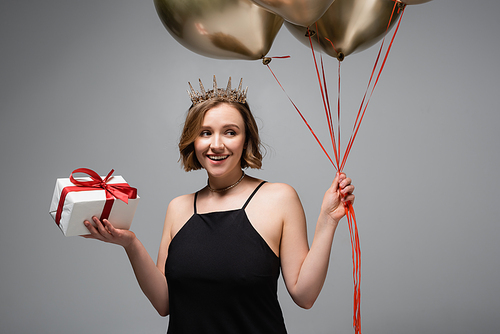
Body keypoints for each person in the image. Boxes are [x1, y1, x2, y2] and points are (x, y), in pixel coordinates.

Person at [83, 76, 355, 333]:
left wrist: (327, 221)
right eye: (205, 132)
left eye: (230, 132)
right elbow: (164, 303)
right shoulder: (178, 208)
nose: (216, 145)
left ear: (246, 139)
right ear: (193, 139)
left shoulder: (279, 198)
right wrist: (131, 244)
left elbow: (304, 295)